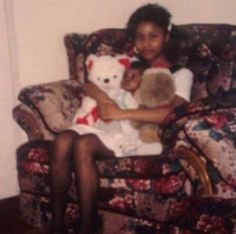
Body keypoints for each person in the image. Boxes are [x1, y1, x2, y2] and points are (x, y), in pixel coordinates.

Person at [50, 3, 193, 234]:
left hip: (138, 136)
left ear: (166, 36)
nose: (146, 43)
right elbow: (89, 83)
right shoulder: (130, 66)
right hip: (108, 126)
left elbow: (172, 112)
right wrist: (105, 100)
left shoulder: (180, 73)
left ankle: (87, 226)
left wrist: (122, 112)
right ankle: (56, 224)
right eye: (140, 37)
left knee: (83, 145)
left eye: (153, 36)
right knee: (63, 140)